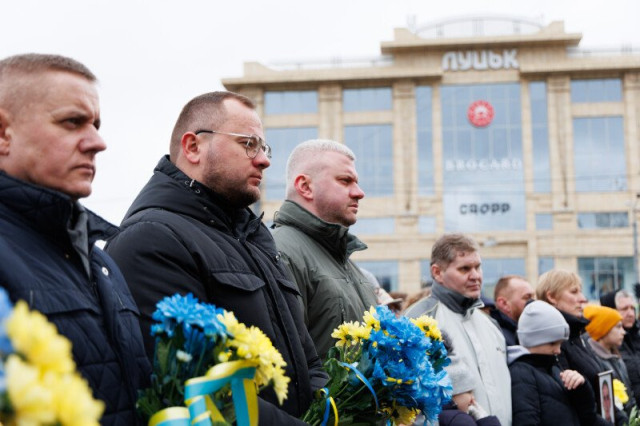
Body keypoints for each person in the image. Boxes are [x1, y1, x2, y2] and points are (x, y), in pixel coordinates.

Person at [105, 91, 327, 424]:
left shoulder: (255, 238)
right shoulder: (151, 239)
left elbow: (306, 360)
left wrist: (331, 411)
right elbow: (196, 391)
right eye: (248, 144)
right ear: (193, 146)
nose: (263, 160)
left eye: (263, 148)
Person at [0, 53, 150, 425]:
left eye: (96, 124)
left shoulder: (101, 261)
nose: (98, 142)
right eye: (72, 122)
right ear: (3, 133)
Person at [271, 139, 377, 358]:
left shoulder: (341, 258)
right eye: (345, 181)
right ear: (305, 187)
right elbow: (287, 361)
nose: (359, 193)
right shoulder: (280, 252)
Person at [404, 233, 512, 426]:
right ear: (437, 272)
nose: (475, 276)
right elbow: (406, 402)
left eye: (478, 267)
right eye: (465, 269)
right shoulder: (417, 322)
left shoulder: (491, 324)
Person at [537, 269, 622, 425]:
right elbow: (573, 402)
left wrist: (621, 419)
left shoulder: (576, 337)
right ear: (551, 297)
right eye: (574, 292)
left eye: (581, 291)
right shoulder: (554, 343)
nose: (583, 298)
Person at [508, 300, 595, 426]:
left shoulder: (551, 368)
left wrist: (580, 387)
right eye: (552, 343)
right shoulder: (522, 373)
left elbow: (587, 415)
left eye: (560, 343)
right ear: (533, 340)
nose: (558, 350)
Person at [583, 304, 636, 413]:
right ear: (603, 329)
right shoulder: (592, 361)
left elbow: (629, 395)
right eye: (618, 327)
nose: (623, 332)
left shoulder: (616, 358)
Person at [601, 289, 640, 407]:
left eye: (632, 308)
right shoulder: (607, 344)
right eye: (624, 309)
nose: (631, 313)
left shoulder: (637, 336)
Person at [439, 353, 501, 426]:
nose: (472, 398)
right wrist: (487, 421)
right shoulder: (459, 419)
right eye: (469, 392)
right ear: (453, 393)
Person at [490, 275, 535, 346]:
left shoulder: (526, 331)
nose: (533, 302)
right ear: (504, 304)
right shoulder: (499, 339)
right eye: (527, 297)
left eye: (533, 297)